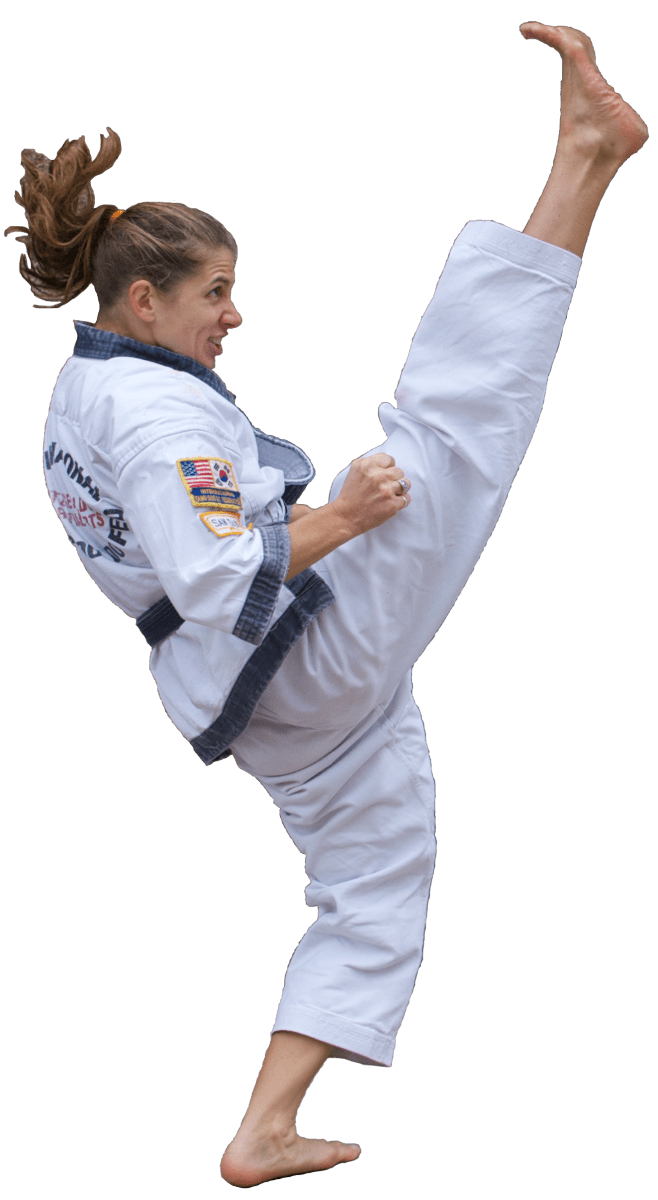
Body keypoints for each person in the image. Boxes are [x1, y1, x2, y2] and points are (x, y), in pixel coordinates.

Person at [6, 22, 647, 1190]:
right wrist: (345, 519)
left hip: (260, 707)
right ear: (143, 299)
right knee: (445, 437)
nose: (233, 314)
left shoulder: (85, 385)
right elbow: (215, 577)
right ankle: (585, 157)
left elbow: (184, 551)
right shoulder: (157, 421)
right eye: (215, 293)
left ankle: (263, 1128)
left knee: (376, 880)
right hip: (298, 647)